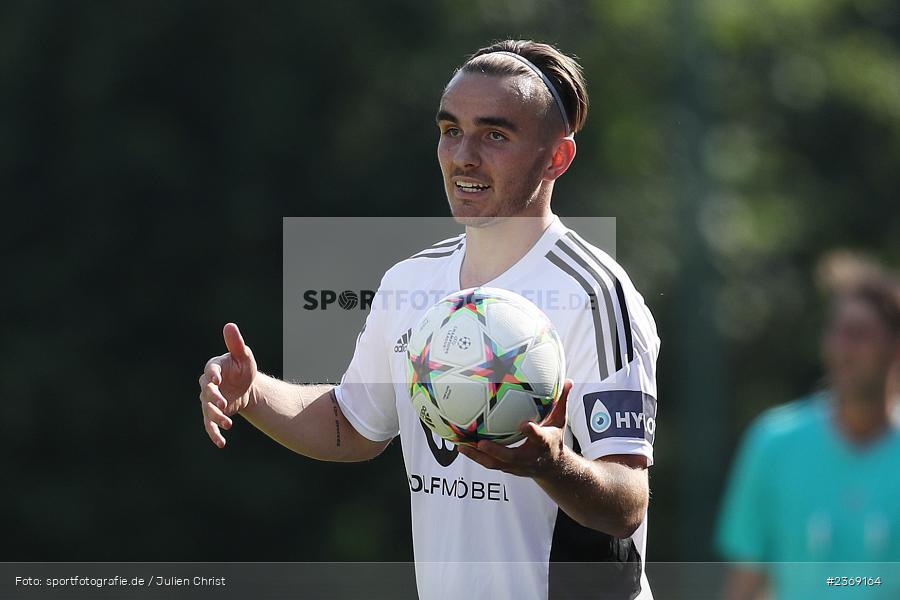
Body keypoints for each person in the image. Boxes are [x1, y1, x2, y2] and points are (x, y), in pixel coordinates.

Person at [198, 40, 660, 600]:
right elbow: (350, 425)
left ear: (556, 158)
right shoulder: (410, 282)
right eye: (450, 130)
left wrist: (552, 465)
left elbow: (627, 503)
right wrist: (255, 394)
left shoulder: (593, 293)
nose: (464, 155)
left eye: (495, 135)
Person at [716, 252, 900, 600]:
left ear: (896, 349)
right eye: (837, 332)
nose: (843, 348)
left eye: (860, 335)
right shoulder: (773, 442)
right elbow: (745, 581)